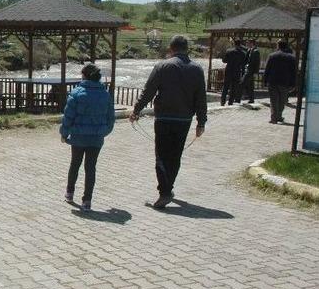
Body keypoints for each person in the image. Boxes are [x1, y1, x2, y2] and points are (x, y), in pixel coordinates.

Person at [129, 35, 207, 209]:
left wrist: (136, 111)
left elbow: (148, 91)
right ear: (186, 49)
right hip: (184, 119)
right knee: (175, 155)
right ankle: (168, 189)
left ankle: (164, 192)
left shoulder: (162, 66)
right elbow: (201, 98)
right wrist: (201, 122)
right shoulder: (197, 69)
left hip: (164, 117)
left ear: (171, 49)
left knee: (161, 155)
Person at [60, 64, 115, 212]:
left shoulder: (77, 93)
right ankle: (87, 201)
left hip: (78, 136)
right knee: (91, 168)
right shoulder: (105, 94)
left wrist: (64, 134)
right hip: (96, 138)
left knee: (75, 164)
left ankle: (70, 193)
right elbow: (111, 118)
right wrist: (104, 131)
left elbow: (68, 117)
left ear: (84, 76)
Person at [263, 39, 297, 124]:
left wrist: (264, 81)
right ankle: (279, 116)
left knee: (273, 100)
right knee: (283, 100)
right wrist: (293, 84)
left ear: (278, 46)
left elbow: (267, 69)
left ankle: (274, 118)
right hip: (285, 82)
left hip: (273, 81)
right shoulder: (291, 57)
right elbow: (294, 72)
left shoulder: (272, 56)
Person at [221, 39, 247, 105]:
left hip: (229, 70)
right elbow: (244, 64)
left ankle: (222, 101)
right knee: (234, 87)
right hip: (237, 71)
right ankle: (231, 101)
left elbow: (224, 61)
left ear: (234, 44)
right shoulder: (243, 53)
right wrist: (243, 74)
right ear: (240, 44)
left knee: (225, 87)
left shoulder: (229, 51)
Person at [242, 38, 261, 104]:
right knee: (250, 85)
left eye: (248, 43)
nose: (247, 44)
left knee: (242, 83)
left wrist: (255, 72)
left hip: (251, 71)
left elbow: (257, 63)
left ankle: (238, 98)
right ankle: (251, 99)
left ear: (252, 43)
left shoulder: (256, 51)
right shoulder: (249, 50)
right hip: (248, 69)